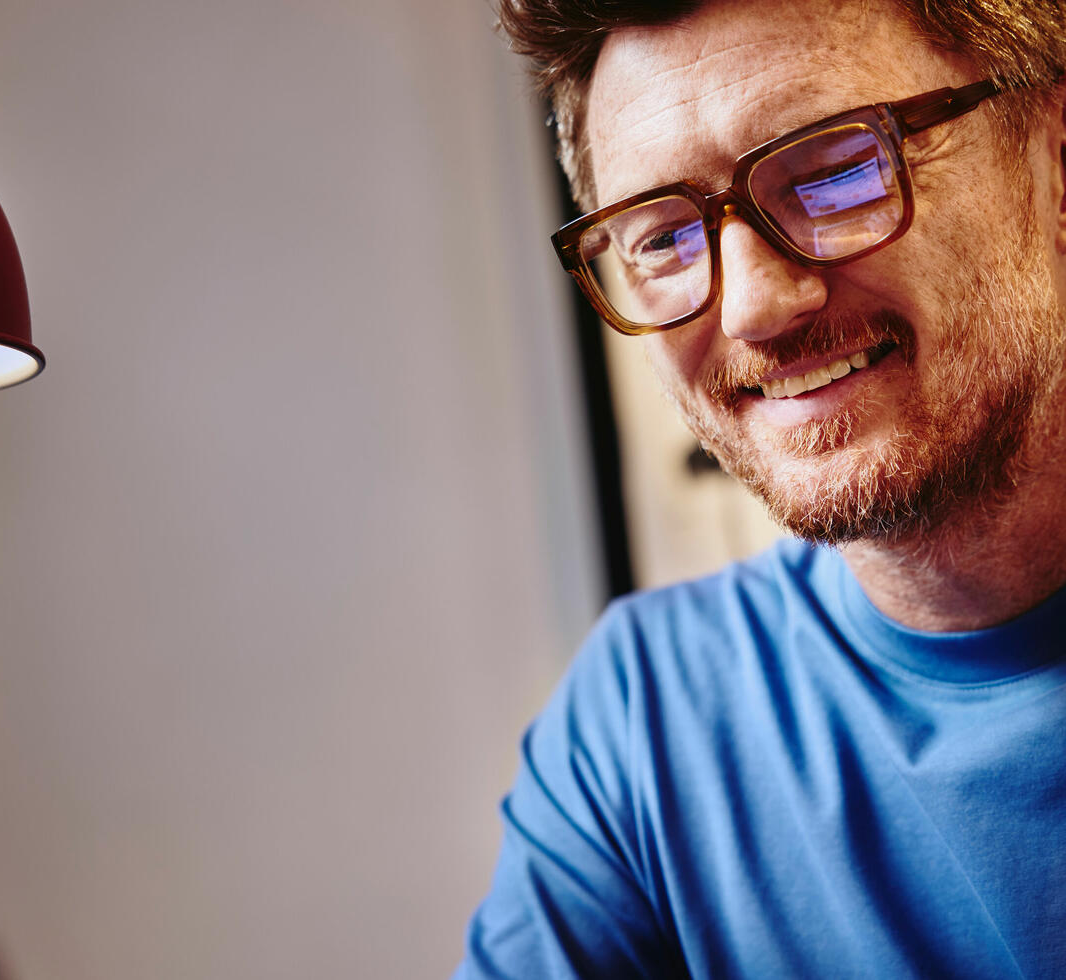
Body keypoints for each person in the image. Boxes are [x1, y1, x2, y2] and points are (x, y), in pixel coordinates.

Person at [455, 0, 1066, 976]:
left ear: (1054, 151)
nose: (754, 306)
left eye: (832, 173)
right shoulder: (648, 722)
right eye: (661, 239)